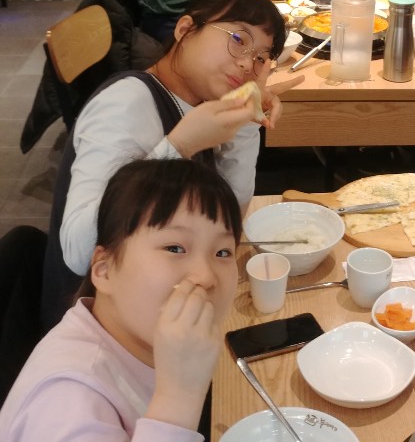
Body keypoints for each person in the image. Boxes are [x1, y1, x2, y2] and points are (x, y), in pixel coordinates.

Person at [41, 0, 287, 330]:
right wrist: (179, 147)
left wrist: (248, 120)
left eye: (262, 57)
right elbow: (80, 253)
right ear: (185, 29)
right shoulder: (127, 104)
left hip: (169, 305)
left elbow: (228, 218)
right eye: (238, 39)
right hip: (105, 334)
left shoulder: (194, 104)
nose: (249, 64)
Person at [2, 158, 241, 441]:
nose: (206, 276)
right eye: (175, 248)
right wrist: (180, 396)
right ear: (104, 270)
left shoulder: (140, 342)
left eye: (223, 252)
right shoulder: (68, 404)